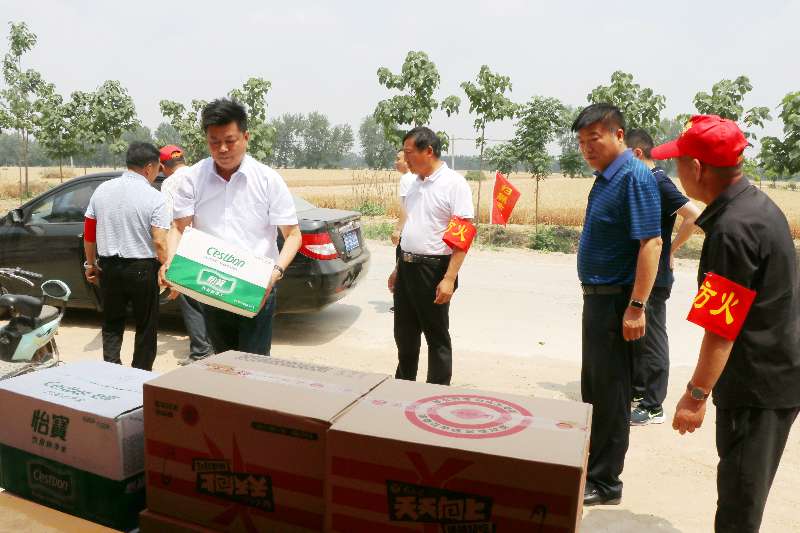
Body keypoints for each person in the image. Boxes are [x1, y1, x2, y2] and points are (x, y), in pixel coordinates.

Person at [652, 115, 800, 532]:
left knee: (739, 499)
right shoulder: (756, 207)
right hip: (776, 371)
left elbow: (720, 326)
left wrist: (695, 395)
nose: (676, 170)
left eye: (679, 162)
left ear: (697, 168)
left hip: (757, 385)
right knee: (742, 491)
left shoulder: (732, 230)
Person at [572, 104, 663, 506]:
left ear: (619, 135)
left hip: (617, 302)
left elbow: (651, 243)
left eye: (594, 138)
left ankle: (606, 482)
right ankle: (592, 469)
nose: (587, 148)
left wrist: (636, 306)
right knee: (594, 390)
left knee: (611, 394)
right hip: (597, 300)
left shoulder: (634, 177)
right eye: (581, 142)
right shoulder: (606, 178)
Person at [164, 99, 302, 356]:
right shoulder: (193, 178)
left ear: (245, 137)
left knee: (254, 364)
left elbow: (293, 235)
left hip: (257, 286)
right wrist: (170, 259)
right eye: (214, 142)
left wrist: (274, 274)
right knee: (223, 362)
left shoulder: (268, 180)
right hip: (211, 282)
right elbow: (178, 228)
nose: (223, 149)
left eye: (230, 140)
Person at [626, 129, 701, 425]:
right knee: (638, 336)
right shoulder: (643, 181)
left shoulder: (658, 181)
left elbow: (694, 215)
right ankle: (638, 391)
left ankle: (654, 406)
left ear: (637, 153)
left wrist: (672, 249)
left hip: (655, 276)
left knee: (653, 337)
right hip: (642, 272)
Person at [388, 127, 474, 385]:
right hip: (407, 268)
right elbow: (411, 228)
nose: (405, 158)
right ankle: (403, 385)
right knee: (404, 335)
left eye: (409, 152)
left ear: (428, 151)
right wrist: (398, 267)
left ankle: (436, 393)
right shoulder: (414, 184)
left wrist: (449, 278)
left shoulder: (454, 184)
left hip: (434, 269)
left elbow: (462, 235)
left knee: (436, 337)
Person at [83, 142, 170, 371]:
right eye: (158, 168)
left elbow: (89, 232)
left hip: (109, 268)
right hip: (142, 269)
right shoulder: (155, 197)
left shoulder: (102, 190)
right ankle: (139, 374)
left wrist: (90, 264)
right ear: (149, 168)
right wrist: (167, 267)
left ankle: (111, 370)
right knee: (146, 326)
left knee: (112, 322)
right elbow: (159, 241)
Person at [159, 145, 214, 365]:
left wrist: (168, 261)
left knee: (191, 302)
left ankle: (201, 352)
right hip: (210, 247)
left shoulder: (169, 184)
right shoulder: (200, 175)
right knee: (211, 299)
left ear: (163, 166)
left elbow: (169, 223)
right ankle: (215, 346)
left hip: (187, 248)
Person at [391, 149, 417, 245]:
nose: (395, 162)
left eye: (398, 159)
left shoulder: (406, 178)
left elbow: (405, 207)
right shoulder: (418, 176)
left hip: (409, 232)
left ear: (407, 161)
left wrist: (398, 230)